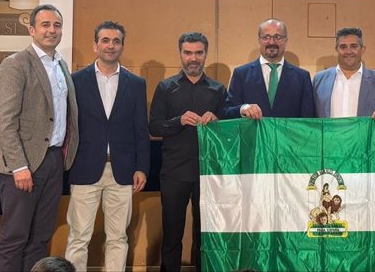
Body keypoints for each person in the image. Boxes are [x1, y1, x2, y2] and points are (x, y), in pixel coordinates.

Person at [0, 4, 79, 271]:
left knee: (40, 239)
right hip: (22, 165)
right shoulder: (16, 64)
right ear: (32, 30)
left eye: (57, 25)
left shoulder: (61, 65)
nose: (52, 30)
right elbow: (5, 121)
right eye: (45, 25)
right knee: (14, 238)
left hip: (53, 160)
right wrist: (19, 166)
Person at [65, 21, 149, 271]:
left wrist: (141, 167)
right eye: (105, 40)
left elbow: (140, 130)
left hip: (122, 172)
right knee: (79, 237)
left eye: (116, 41)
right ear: (95, 45)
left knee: (118, 238)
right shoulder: (76, 81)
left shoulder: (136, 83)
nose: (110, 45)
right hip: (85, 169)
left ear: (122, 46)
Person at [149, 32, 228, 272]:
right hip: (174, 173)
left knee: (204, 235)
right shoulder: (165, 88)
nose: (193, 58)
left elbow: (228, 133)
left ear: (205, 54)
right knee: (172, 235)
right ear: (180, 54)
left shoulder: (218, 89)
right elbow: (153, 126)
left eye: (198, 53)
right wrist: (178, 121)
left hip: (208, 173)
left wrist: (217, 120)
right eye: (188, 53)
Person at [225, 19, 315, 119]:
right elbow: (227, 112)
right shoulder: (241, 74)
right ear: (259, 40)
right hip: (253, 134)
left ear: (286, 41)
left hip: (287, 135)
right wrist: (242, 109)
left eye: (278, 37)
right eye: (266, 37)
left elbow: (308, 120)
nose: (272, 42)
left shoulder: (302, 78)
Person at [313, 27, 375, 119]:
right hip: (328, 133)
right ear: (336, 50)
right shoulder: (319, 80)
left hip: (366, 134)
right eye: (343, 47)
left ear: (363, 49)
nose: (348, 51)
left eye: (353, 46)